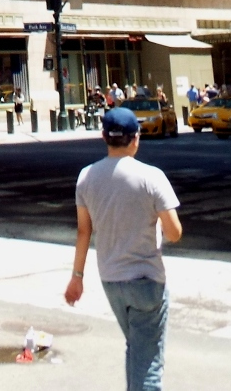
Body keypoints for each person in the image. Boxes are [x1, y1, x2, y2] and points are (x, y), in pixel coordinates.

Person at [65, 107, 183, 391]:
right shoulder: (151, 176)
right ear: (136, 139)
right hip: (146, 279)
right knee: (150, 364)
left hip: (111, 279)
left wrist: (77, 276)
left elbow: (84, 231)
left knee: (137, 349)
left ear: (104, 136)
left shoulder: (86, 177)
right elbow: (175, 232)